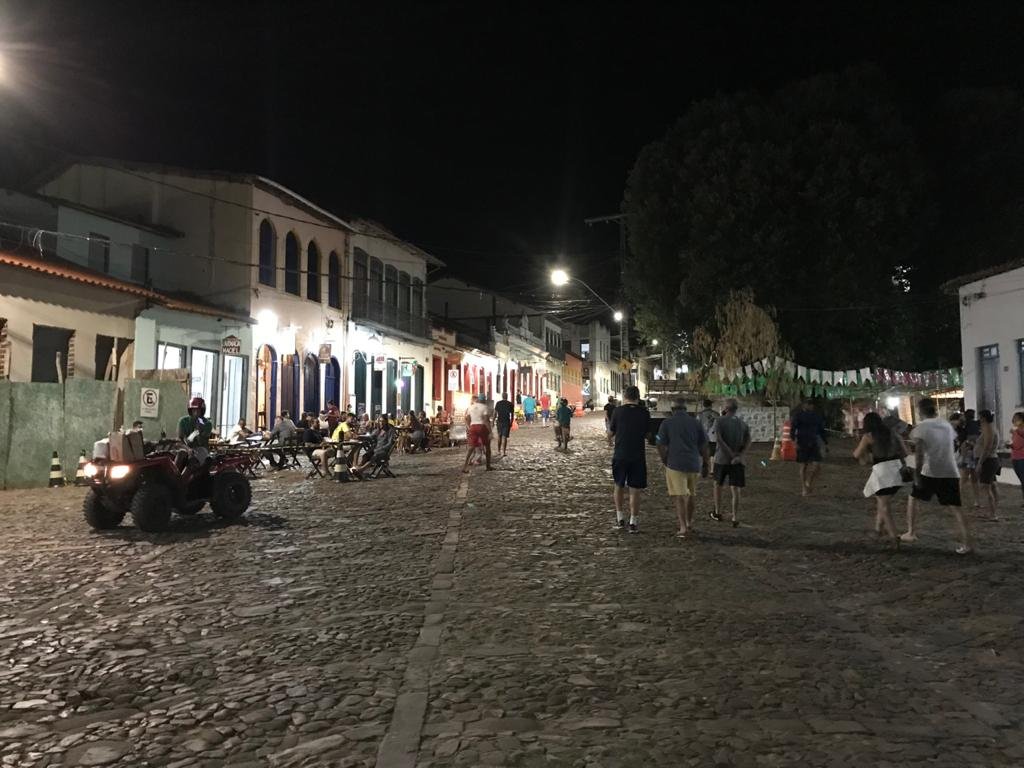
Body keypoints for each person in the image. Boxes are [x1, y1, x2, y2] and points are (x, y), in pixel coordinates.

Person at [901, 398, 973, 554]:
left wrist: (917, 475)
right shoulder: (946, 425)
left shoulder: (921, 428)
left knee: (913, 498)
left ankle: (911, 532)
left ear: (920, 411)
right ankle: (967, 544)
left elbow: (919, 455)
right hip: (950, 470)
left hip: (930, 471)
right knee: (957, 508)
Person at [853, 411, 908, 549]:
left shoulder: (869, 436)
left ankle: (894, 537)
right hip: (897, 470)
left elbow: (857, 454)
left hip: (882, 472)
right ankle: (878, 529)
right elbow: (905, 452)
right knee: (882, 501)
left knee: (884, 507)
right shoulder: (893, 434)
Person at [656, 398, 709, 539]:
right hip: (693, 463)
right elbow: (704, 445)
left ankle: (683, 527)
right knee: (691, 494)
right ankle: (689, 523)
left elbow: (659, 443)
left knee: (679, 496)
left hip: (675, 463)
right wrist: (706, 463)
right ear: (686, 409)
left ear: (672, 410)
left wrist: (664, 459)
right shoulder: (696, 423)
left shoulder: (667, 423)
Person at [609, 386, 650, 533]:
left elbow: (611, 432)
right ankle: (633, 521)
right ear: (638, 397)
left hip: (620, 454)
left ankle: (620, 517)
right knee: (635, 489)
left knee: (618, 485)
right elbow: (648, 434)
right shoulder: (644, 413)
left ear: (625, 397)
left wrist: (609, 441)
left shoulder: (617, 411)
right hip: (637, 455)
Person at [711, 398, 751, 528]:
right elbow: (748, 441)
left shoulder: (719, 421)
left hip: (721, 459)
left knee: (718, 485)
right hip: (737, 461)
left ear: (726, 408)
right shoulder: (742, 423)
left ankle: (718, 512)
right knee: (735, 489)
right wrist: (740, 455)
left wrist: (730, 454)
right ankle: (735, 517)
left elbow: (719, 439)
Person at [791, 399, 827, 496]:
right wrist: (794, 441)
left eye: (812, 404)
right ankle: (804, 487)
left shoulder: (816, 416)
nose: (811, 406)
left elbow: (821, 429)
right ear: (804, 405)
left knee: (817, 466)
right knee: (803, 466)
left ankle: (809, 482)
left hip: (813, 442)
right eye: (809, 404)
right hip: (802, 442)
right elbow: (793, 429)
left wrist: (825, 442)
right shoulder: (798, 415)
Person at [976, 409, 1001, 519]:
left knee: (986, 487)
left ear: (983, 418)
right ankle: (992, 511)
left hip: (988, 461)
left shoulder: (989, 428)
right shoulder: (990, 427)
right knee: (993, 485)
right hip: (990, 460)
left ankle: (993, 514)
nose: (979, 419)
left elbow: (987, 447)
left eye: (980, 417)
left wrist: (980, 463)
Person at [956, 409, 981, 508]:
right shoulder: (976, 425)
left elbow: (963, 442)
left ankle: (958, 498)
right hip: (974, 453)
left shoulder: (964, 427)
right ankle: (977, 500)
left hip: (967, 454)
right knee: (974, 478)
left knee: (964, 478)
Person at [463, 394, 493, 472]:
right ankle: (488, 466)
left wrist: (469, 427)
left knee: (471, 448)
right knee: (487, 447)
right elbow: (486, 420)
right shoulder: (485, 407)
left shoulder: (470, 407)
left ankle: (465, 467)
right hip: (482, 426)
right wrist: (490, 432)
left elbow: (467, 419)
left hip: (473, 426)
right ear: (484, 400)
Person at [697, 400, 718, 468]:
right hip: (713, 437)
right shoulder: (716, 414)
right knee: (712, 454)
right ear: (711, 405)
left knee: (703, 453)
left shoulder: (699, 415)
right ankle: (711, 469)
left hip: (703, 437)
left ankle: (704, 467)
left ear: (703, 405)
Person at [493, 392, 515, 457]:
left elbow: (495, 413)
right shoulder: (510, 404)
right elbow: (512, 414)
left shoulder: (498, 403)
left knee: (499, 436)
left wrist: (493, 421)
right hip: (506, 421)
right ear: (507, 396)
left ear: (502, 396)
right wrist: (511, 422)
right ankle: (503, 452)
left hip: (499, 421)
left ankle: (498, 451)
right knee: (504, 437)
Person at [1010, 412, 1024, 508]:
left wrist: (1017, 432)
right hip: (1015, 457)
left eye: (1016, 418)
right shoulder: (1015, 431)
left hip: (1022, 457)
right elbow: (1016, 444)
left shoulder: (1020, 431)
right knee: (1021, 480)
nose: (1014, 420)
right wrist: (1010, 445)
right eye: (1014, 418)